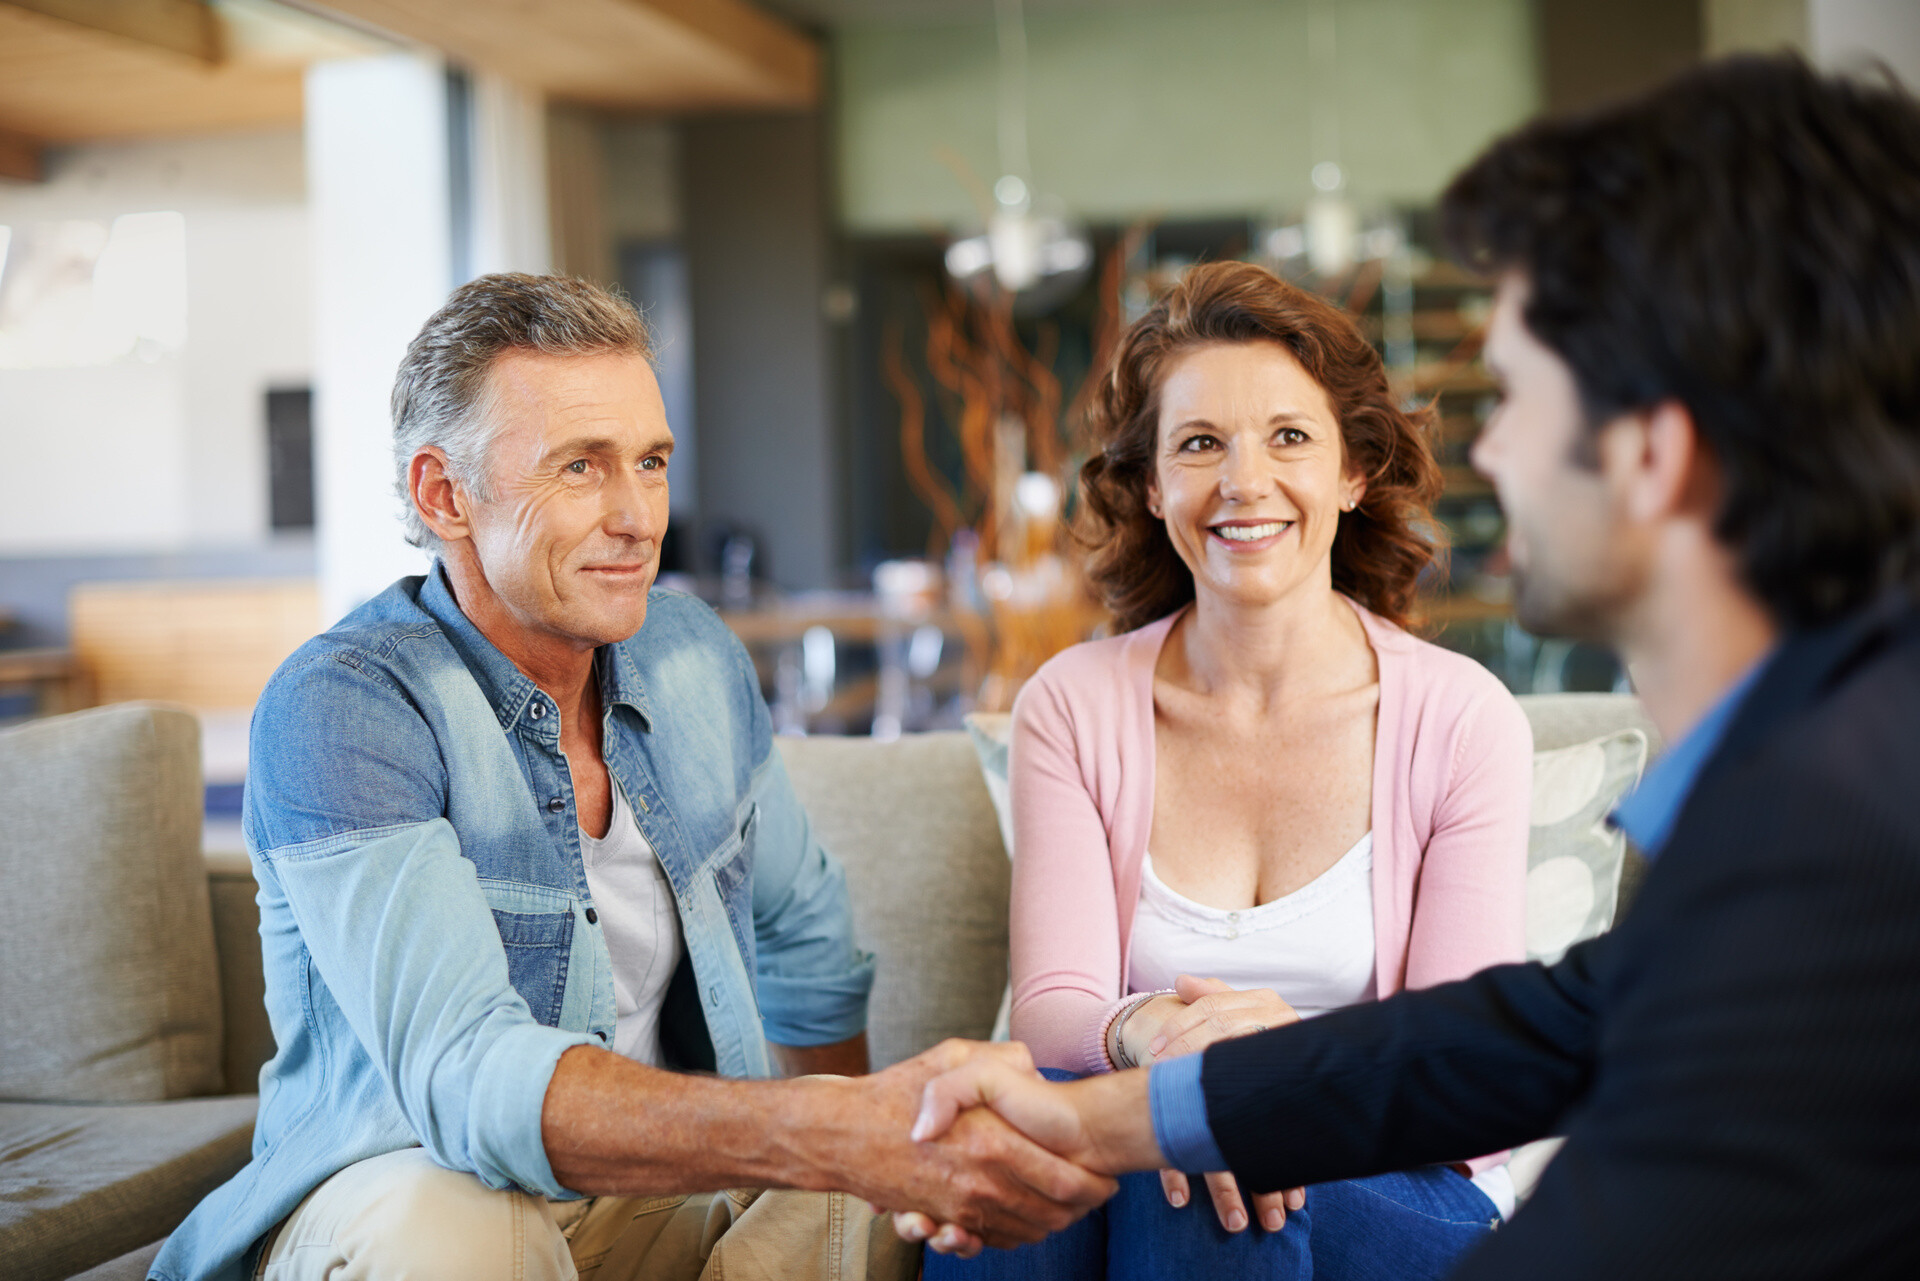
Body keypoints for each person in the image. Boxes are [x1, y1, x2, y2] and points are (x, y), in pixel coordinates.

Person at [905, 54, 1920, 1279]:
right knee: (1134, 1165)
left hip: (1359, 1193)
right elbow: (1525, 1036)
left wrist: (1205, 1110)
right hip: (1238, 1138)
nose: (1488, 450)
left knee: (1215, 1185)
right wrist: (1122, 1107)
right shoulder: (1809, 792)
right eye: (1202, 444)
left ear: (1651, 452)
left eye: (1519, 396)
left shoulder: (1843, 846)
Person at [153, 274, 1113, 1281]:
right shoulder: (345, 704)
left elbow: (809, 943)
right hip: (405, 1192)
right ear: (445, 495)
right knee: (463, 1222)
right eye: (581, 466)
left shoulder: (692, 652)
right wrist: (825, 1132)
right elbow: (467, 1077)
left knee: (879, 1167)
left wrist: (858, 1149)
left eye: (650, 462)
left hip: (647, 1198)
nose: (638, 517)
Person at [924, 262, 1531, 1279]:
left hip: (1403, 1177)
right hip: (1151, 1143)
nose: (1244, 481)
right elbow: (1056, 1007)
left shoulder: (1462, 719)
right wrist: (1158, 1037)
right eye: (1201, 443)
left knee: (1206, 1136)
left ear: (1353, 472)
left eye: (1289, 437)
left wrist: (1275, 1073)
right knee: (1036, 1149)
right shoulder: (1073, 705)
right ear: (1152, 485)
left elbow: (1464, 1079)